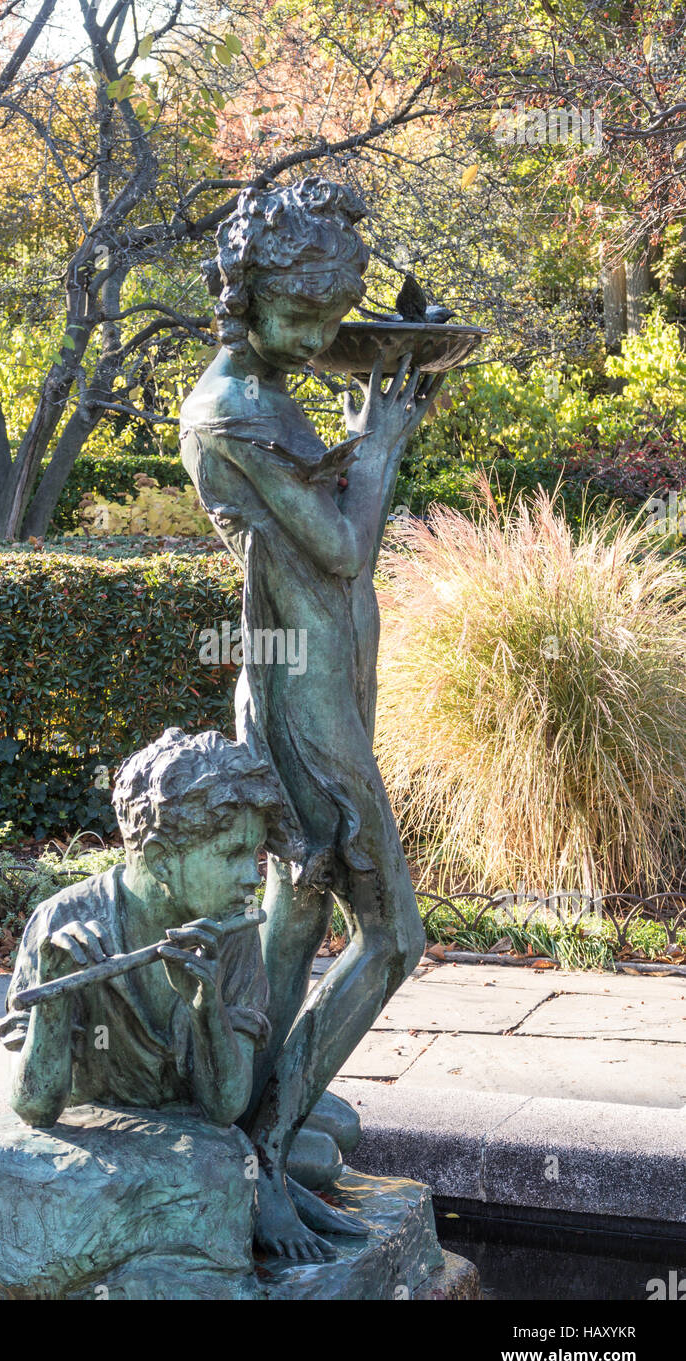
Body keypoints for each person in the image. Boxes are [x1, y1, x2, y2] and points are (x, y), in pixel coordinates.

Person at [180, 177, 442, 1261]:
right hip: (302, 707)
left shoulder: (269, 391)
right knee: (391, 937)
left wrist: (360, 439)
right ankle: (267, 1147)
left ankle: (253, 1144)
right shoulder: (232, 413)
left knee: (292, 922)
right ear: (242, 297)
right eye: (300, 322)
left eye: (331, 323)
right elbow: (339, 549)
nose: (317, 341)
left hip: (320, 686)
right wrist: (377, 443)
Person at [0, 727, 280, 1130]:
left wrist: (207, 1010)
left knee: (326, 1144)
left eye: (255, 853)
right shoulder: (59, 923)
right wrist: (54, 999)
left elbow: (225, 1108)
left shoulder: (231, 930)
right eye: (234, 854)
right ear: (161, 859)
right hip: (88, 1141)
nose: (252, 877)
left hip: (188, 1142)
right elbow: (34, 1108)